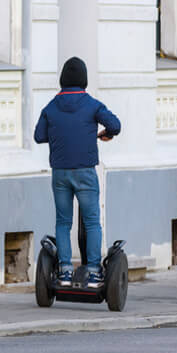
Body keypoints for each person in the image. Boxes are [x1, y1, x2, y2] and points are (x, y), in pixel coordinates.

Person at [33, 57, 121, 289]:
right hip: (85, 172)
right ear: (84, 80)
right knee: (92, 221)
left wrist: (60, 132)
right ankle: (93, 272)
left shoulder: (50, 107)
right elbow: (116, 125)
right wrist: (103, 133)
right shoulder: (91, 104)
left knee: (63, 222)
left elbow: (39, 136)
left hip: (60, 172)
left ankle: (64, 271)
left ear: (62, 80)